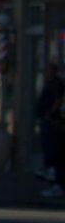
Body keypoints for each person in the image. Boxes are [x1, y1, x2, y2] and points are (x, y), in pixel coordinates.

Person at [37, 59, 63, 197]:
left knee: (54, 150)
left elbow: (58, 101)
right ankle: (53, 175)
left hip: (53, 122)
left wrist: (50, 114)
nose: (44, 73)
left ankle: (56, 180)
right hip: (50, 121)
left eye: (47, 70)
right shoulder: (50, 83)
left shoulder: (56, 83)